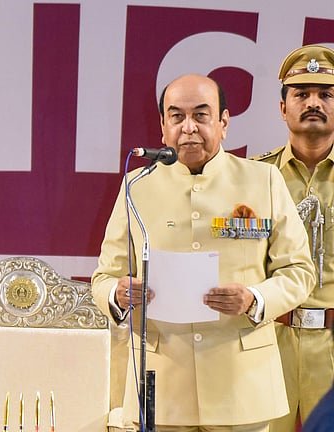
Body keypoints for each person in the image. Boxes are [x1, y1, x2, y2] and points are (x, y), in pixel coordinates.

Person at [92, 74, 315, 431]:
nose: (189, 128)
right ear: (163, 126)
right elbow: (104, 276)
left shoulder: (263, 180)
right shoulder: (137, 186)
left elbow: (300, 271)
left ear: (224, 122)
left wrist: (254, 298)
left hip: (243, 387)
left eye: (201, 115)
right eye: (176, 116)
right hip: (162, 388)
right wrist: (116, 294)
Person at [251, 44, 334, 432]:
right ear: (283, 108)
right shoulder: (255, 177)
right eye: (302, 94)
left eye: (326, 94)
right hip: (270, 337)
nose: (313, 103)